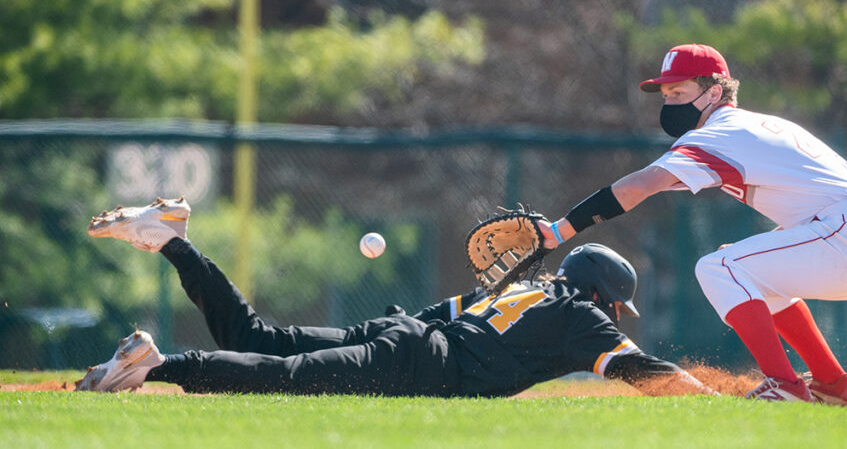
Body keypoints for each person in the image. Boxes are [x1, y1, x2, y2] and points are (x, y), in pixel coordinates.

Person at [538, 43, 847, 406]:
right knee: (743, 269)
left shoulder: (721, 133)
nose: (669, 102)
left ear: (713, 91)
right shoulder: (754, 126)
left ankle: (784, 386)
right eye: (665, 94)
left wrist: (559, 231)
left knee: (718, 268)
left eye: (679, 91)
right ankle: (832, 383)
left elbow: (639, 186)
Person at [76, 197, 714, 398]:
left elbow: (442, 314)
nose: (612, 317)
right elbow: (645, 373)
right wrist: (721, 398)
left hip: (407, 334)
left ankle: (175, 243)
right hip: (420, 360)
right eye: (614, 306)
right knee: (285, 376)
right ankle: (156, 367)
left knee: (259, 342)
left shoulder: (526, 290)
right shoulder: (577, 313)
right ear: (601, 295)